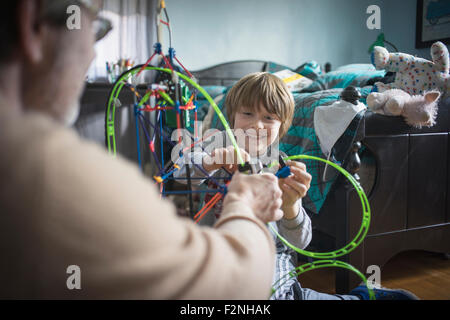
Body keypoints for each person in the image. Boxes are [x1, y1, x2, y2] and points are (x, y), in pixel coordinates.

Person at [0, 0, 286, 299]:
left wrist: (289, 211)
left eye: (269, 118)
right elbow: (231, 290)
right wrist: (243, 202)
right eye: (95, 31)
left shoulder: (278, 161)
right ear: (32, 23)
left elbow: (296, 234)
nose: (92, 54)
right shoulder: (56, 177)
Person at [174, 72, 419, 300]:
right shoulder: (217, 144)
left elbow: (299, 242)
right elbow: (180, 171)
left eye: (269, 118)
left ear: (281, 128)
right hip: (219, 260)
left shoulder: (282, 167)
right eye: (247, 113)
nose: (257, 125)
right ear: (232, 116)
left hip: (272, 274)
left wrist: (291, 206)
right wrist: (212, 161)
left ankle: (363, 294)